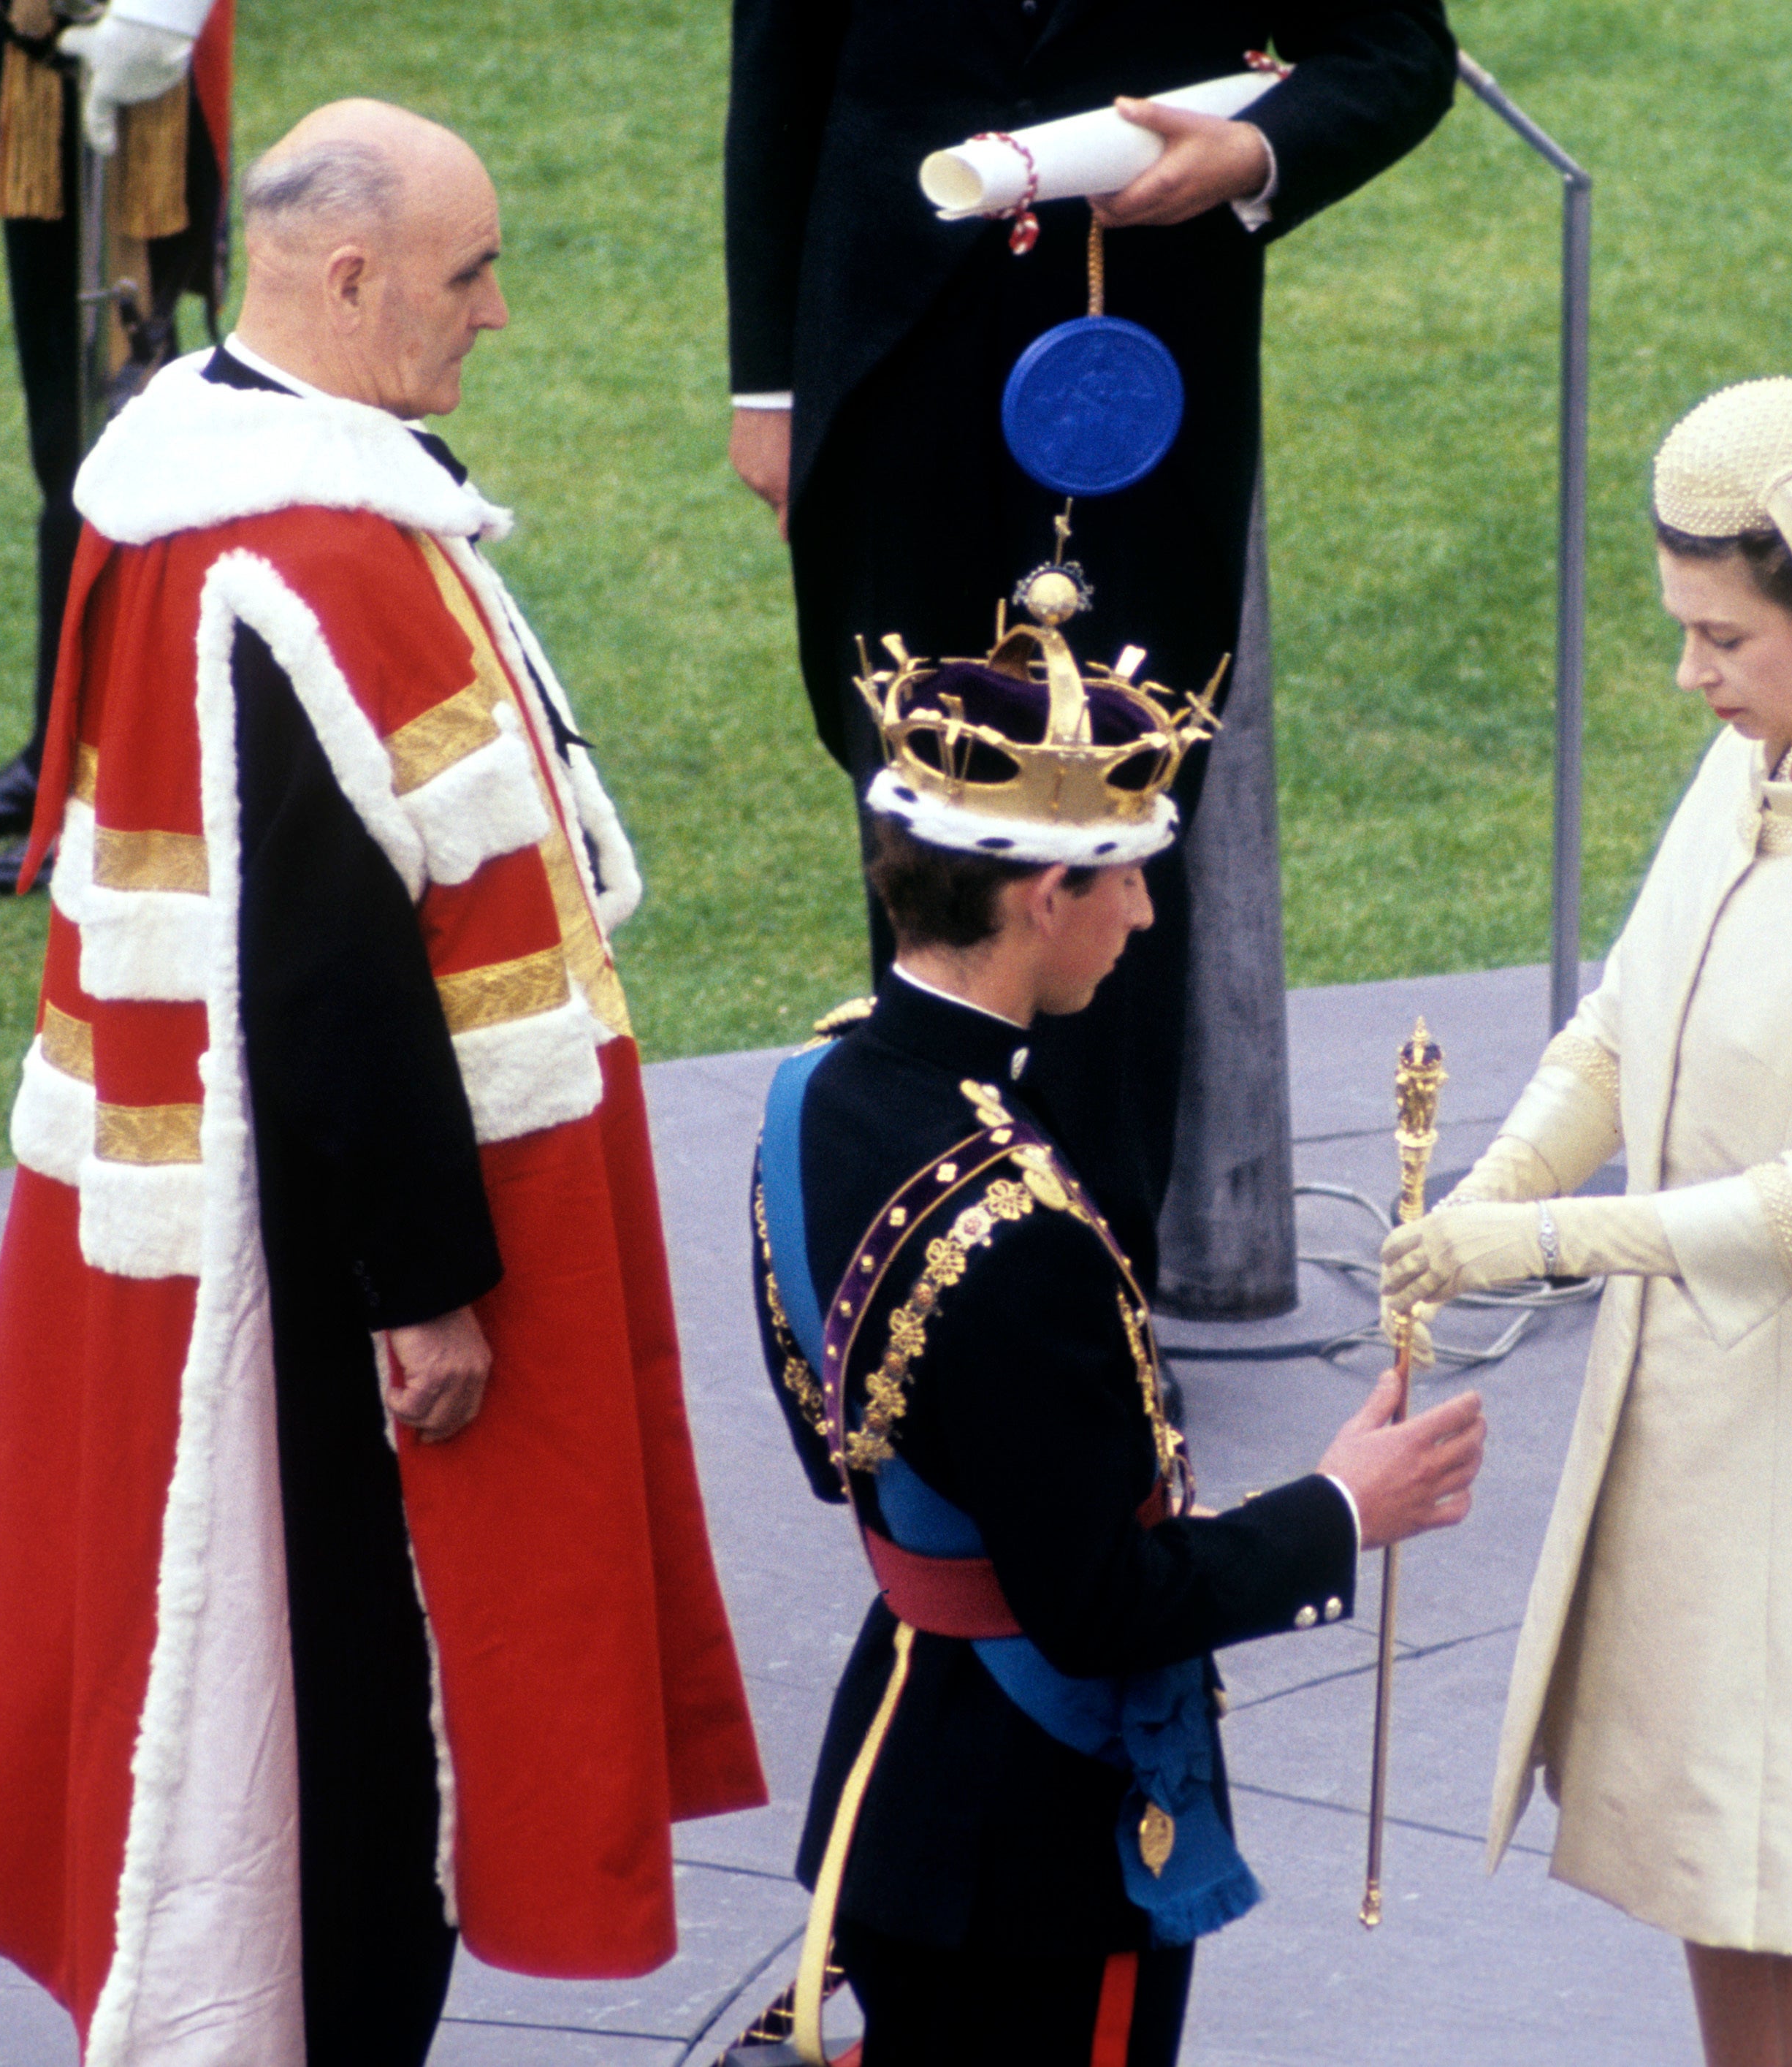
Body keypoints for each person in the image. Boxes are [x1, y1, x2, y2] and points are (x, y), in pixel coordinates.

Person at [0, 101, 768, 2066]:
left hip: (262, 1233)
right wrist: (424, 1282)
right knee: (368, 1744)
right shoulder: (294, 560)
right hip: (322, 1285)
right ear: (350, 278)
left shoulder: (217, 503)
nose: (501, 313)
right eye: (468, 277)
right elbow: (320, 966)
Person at [1381, 378, 1792, 2067]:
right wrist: (1487, 1192)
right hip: (1695, 1414)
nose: (1693, 675)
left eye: (1725, 639)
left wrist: (1527, 1252)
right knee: (1713, 1867)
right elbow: (1623, 1019)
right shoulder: (1745, 761)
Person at [752, 618, 1486, 2066]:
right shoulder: (1021, 1233)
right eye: (1127, 872)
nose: (1144, 914)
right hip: (1034, 1845)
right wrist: (1341, 1508)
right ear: (1039, 893)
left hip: (898, 1762)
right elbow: (1094, 1608)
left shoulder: (811, 1093)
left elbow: (842, 1451)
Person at [723, 0, 1454, 1290]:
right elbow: (782, 65)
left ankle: (1093, 1294)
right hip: (893, 356)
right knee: (927, 819)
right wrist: (769, 387)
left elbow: (1392, 55)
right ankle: (927, 1261)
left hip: (1141, 370)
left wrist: (1256, 154)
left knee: (1112, 820)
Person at [0, 0, 233, 893]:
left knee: (123, 422)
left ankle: (118, 791)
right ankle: (59, 763)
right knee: (66, 433)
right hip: (30, 41)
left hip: (137, 41)